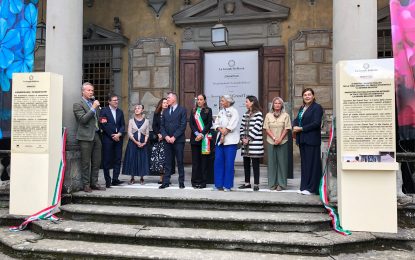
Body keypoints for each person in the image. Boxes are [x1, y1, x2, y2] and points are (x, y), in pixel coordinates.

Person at [73, 82, 106, 192]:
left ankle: (94, 182)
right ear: (83, 91)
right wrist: (93, 108)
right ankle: (86, 185)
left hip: (96, 135)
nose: (91, 92)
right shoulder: (78, 104)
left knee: (97, 161)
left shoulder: (93, 103)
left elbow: (96, 119)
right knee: (86, 162)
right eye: (89, 90)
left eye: (92, 90)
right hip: (85, 137)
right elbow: (83, 119)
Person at [293, 88, 323, 195]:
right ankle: (304, 187)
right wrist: (294, 126)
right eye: (305, 95)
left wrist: (301, 129)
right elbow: (296, 120)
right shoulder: (302, 108)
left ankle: (312, 188)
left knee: (312, 165)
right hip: (303, 140)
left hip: (312, 140)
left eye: (309, 94)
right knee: (305, 165)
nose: (307, 96)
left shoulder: (317, 107)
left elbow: (316, 123)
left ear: (313, 96)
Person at [159, 92, 187, 189]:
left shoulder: (182, 110)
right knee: (167, 162)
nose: (167, 100)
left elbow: (183, 125)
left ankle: (181, 181)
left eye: (168, 98)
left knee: (179, 161)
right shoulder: (165, 111)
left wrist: (174, 137)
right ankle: (166, 181)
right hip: (167, 141)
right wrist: (166, 136)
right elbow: (162, 126)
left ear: (174, 99)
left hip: (178, 140)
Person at [263, 97, 291, 191]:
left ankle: (281, 184)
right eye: (275, 103)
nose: (277, 105)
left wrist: (280, 139)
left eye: (279, 103)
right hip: (271, 141)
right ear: (273, 105)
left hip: (282, 141)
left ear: (282, 105)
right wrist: (274, 138)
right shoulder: (268, 115)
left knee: (282, 163)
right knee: (271, 163)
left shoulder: (286, 115)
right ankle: (272, 184)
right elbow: (267, 128)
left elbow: (287, 128)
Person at [213, 95, 240, 192]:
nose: (221, 102)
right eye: (220, 101)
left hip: (231, 141)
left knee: (229, 163)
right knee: (218, 162)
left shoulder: (234, 111)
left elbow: (233, 124)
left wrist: (226, 130)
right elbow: (215, 123)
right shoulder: (221, 111)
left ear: (228, 102)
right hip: (220, 141)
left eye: (222, 101)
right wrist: (220, 129)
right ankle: (218, 184)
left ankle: (227, 185)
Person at [99, 93, 125, 188]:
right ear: (109, 101)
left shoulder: (120, 112)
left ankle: (115, 179)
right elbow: (103, 124)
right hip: (108, 139)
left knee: (117, 159)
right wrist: (112, 135)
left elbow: (123, 125)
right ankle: (108, 180)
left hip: (118, 139)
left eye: (117, 100)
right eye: (114, 100)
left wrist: (119, 134)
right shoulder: (104, 111)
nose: (116, 101)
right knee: (107, 160)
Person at [239, 95, 264, 192]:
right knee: (246, 164)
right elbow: (241, 127)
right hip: (245, 145)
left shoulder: (259, 114)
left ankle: (256, 183)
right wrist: (242, 138)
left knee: (255, 165)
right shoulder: (245, 114)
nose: (245, 103)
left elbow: (257, 127)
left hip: (254, 144)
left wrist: (248, 138)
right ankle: (247, 183)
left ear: (252, 102)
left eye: (247, 101)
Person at [189, 94, 213, 189]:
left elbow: (209, 124)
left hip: (204, 139)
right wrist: (196, 134)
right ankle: (195, 181)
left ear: (204, 101)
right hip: (195, 139)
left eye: (201, 99)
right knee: (195, 162)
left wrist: (201, 134)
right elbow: (191, 123)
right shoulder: (193, 110)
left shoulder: (208, 110)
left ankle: (203, 182)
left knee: (204, 162)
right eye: (198, 99)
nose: (199, 101)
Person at [122, 104, 150, 184]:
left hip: (142, 142)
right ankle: (132, 177)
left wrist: (144, 142)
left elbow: (147, 133)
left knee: (142, 159)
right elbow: (129, 133)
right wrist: (136, 142)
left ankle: (142, 177)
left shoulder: (147, 121)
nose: (137, 109)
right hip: (133, 142)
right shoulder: (131, 121)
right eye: (135, 108)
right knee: (132, 159)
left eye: (139, 108)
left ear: (142, 110)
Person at [150, 98, 168, 184]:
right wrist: (158, 134)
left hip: (167, 139)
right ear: (161, 104)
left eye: (167, 103)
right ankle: (161, 177)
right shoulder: (157, 114)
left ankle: (166, 177)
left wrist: (164, 135)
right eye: (164, 103)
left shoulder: (169, 113)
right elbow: (154, 126)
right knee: (159, 160)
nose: (165, 104)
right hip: (158, 140)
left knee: (166, 159)